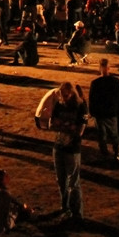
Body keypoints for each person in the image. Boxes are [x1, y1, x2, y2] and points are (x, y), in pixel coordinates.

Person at [49, 81, 87, 223]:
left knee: (73, 183)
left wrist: (62, 125)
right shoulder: (59, 105)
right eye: (62, 95)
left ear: (72, 94)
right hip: (58, 147)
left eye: (66, 95)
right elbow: (52, 124)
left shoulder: (80, 107)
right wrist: (68, 126)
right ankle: (65, 208)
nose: (64, 98)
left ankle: (77, 213)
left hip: (72, 149)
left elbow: (79, 131)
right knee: (61, 181)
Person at [0, 169, 32, 237]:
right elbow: (5, 213)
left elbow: (12, 200)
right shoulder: (3, 193)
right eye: (6, 176)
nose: (8, 177)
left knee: (17, 207)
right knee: (21, 212)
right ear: (2, 180)